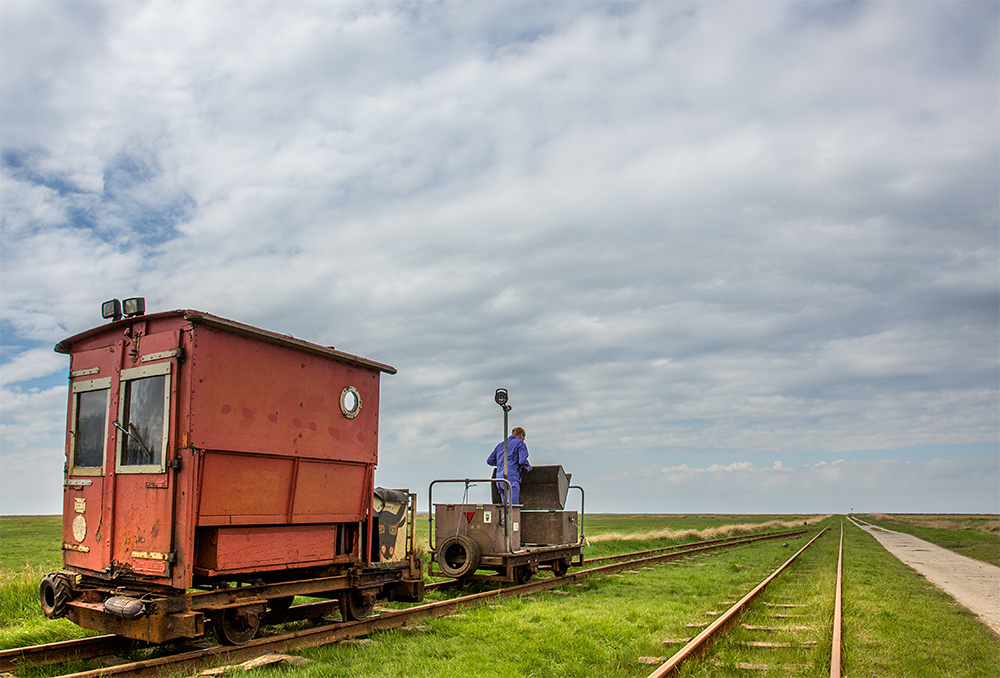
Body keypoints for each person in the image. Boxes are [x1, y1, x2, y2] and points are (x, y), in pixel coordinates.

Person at [487, 427, 531, 505]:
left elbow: (490, 460)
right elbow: (522, 460)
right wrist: (528, 468)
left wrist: (502, 463)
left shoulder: (500, 445)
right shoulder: (520, 443)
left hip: (499, 478)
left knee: (505, 507)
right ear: (521, 435)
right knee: (512, 506)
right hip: (511, 476)